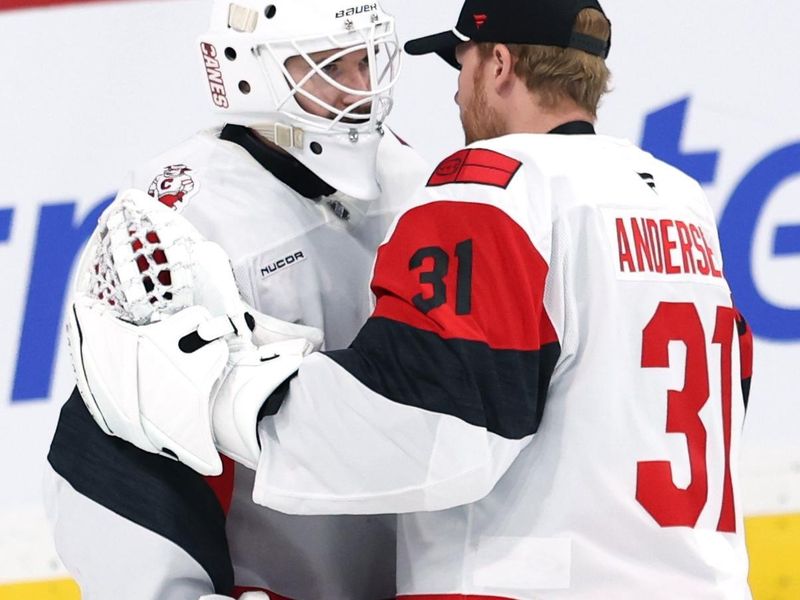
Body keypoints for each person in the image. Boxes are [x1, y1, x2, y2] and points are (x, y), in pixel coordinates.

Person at [70, 0, 755, 598]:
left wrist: (226, 394)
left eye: (461, 67)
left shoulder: (493, 188)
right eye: (335, 67)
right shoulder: (677, 199)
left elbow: (430, 423)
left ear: (499, 65)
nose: (454, 96)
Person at [44, 0, 427, 598]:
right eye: (329, 66)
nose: (360, 89)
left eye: (364, 61)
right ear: (249, 73)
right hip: (276, 578)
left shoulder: (412, 176)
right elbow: (118, 445)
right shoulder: (178, 223)